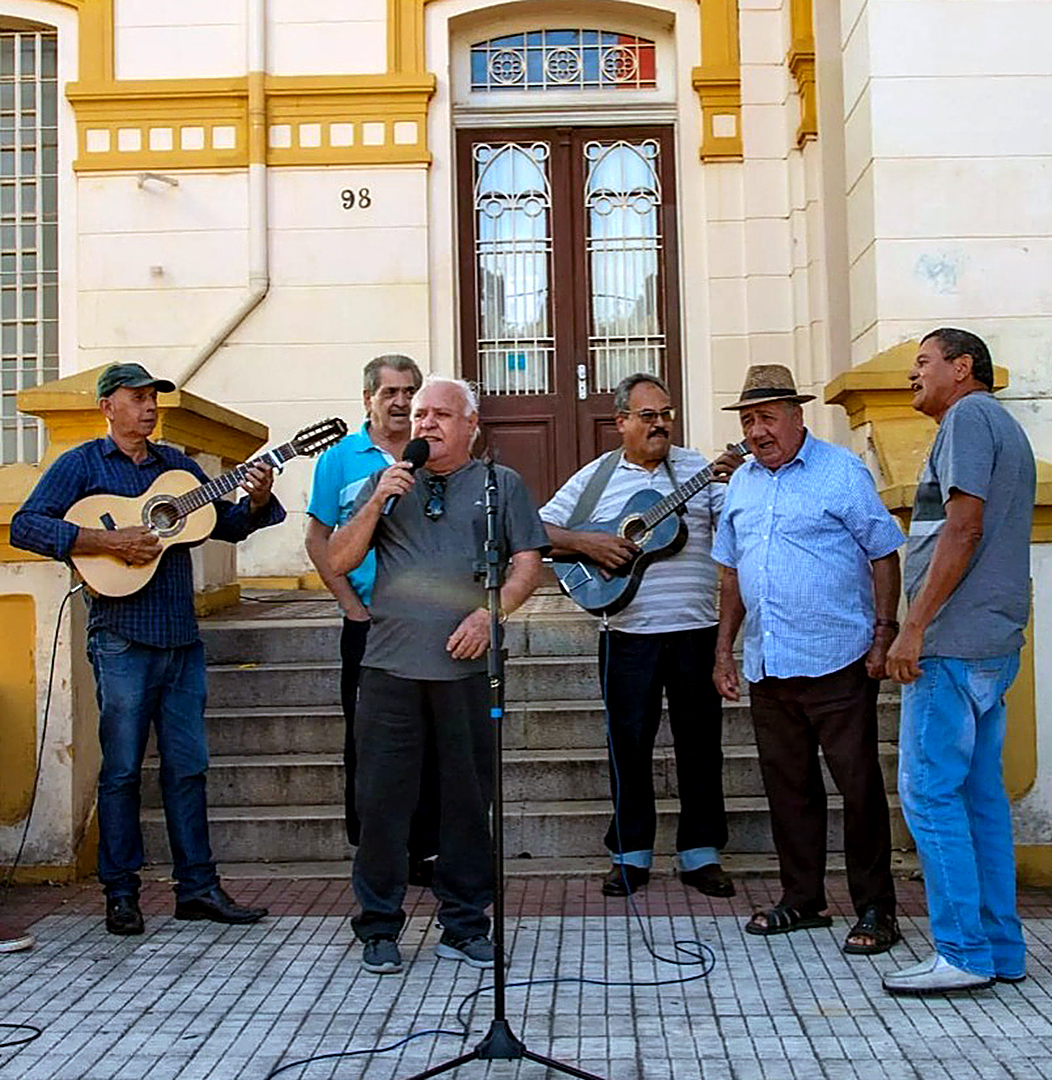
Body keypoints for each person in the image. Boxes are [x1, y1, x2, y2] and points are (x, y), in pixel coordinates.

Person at [10, 362, 284, 936]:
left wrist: (257, 500)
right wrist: (103, 539)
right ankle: (122, 893)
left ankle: (198, 889)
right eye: (137, 398)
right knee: (122, 772)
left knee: (190, 769)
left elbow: (226, 525)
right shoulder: (81, 464)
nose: (150, 408)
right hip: (120, 638)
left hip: (181, 639)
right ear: (108, 405)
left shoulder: (178, 468)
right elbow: (26, 526)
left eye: (153, 399)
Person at [328, 377, 548, 974]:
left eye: (440, 415)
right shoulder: (387, 482)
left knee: (466, 800)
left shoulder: (502, 486)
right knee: (382, 801)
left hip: (467, 669)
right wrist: (379, 500)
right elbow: (339, 559)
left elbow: (527, 563)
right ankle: (378, 925)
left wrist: (491, 612)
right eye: (420, 414)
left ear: (471, 425)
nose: (424, 424)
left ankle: (465, 923)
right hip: (389, 667)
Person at [712, 364, 905, 954]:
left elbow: (884, 554)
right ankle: (803, 900)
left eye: (768, 417)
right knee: (788, 790)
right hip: (769, 662)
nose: (758, 431)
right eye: (749, 420)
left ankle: (876, 910)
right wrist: (724, 650)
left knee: (859, 787)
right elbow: (730, 573)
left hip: (838, 659)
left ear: (798, 417)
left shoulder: (841, 472)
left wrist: (882, 635)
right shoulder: (741, 484)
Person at [540, 373, 740, 899]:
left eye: (666, 414)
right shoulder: (596, 478)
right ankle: (630, 854)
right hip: (628, 633)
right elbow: (534, 530)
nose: (659, 424)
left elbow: (738, 527)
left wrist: (740, 483)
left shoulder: (699, 469)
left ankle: (701, 854)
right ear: (622, 421)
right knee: (628, 745)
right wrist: (588, 542)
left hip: (697, 629)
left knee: (701, 747)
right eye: (648, 415)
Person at [883, 328, 1035, 995]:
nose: (913, 375)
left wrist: (912, 626)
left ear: (962, 367)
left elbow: (964, 527)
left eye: (923, 363)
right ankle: (1000, 949)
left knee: (930, 793)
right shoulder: (998, 423)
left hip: (950, 644)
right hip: (990, 642)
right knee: (978, 796)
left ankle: (963, 953)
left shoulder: (969, 418)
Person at [305, 354, 439, 885]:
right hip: (368, 622)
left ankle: (425, 849)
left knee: (428, 738)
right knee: (367, 741)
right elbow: (318, 539)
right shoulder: (338, 460)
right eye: (390, 393)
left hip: (426, 625)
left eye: (410, 391)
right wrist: (348, 604)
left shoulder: (436, 454)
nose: (402, 402)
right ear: (368, 400)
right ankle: (373, 848)